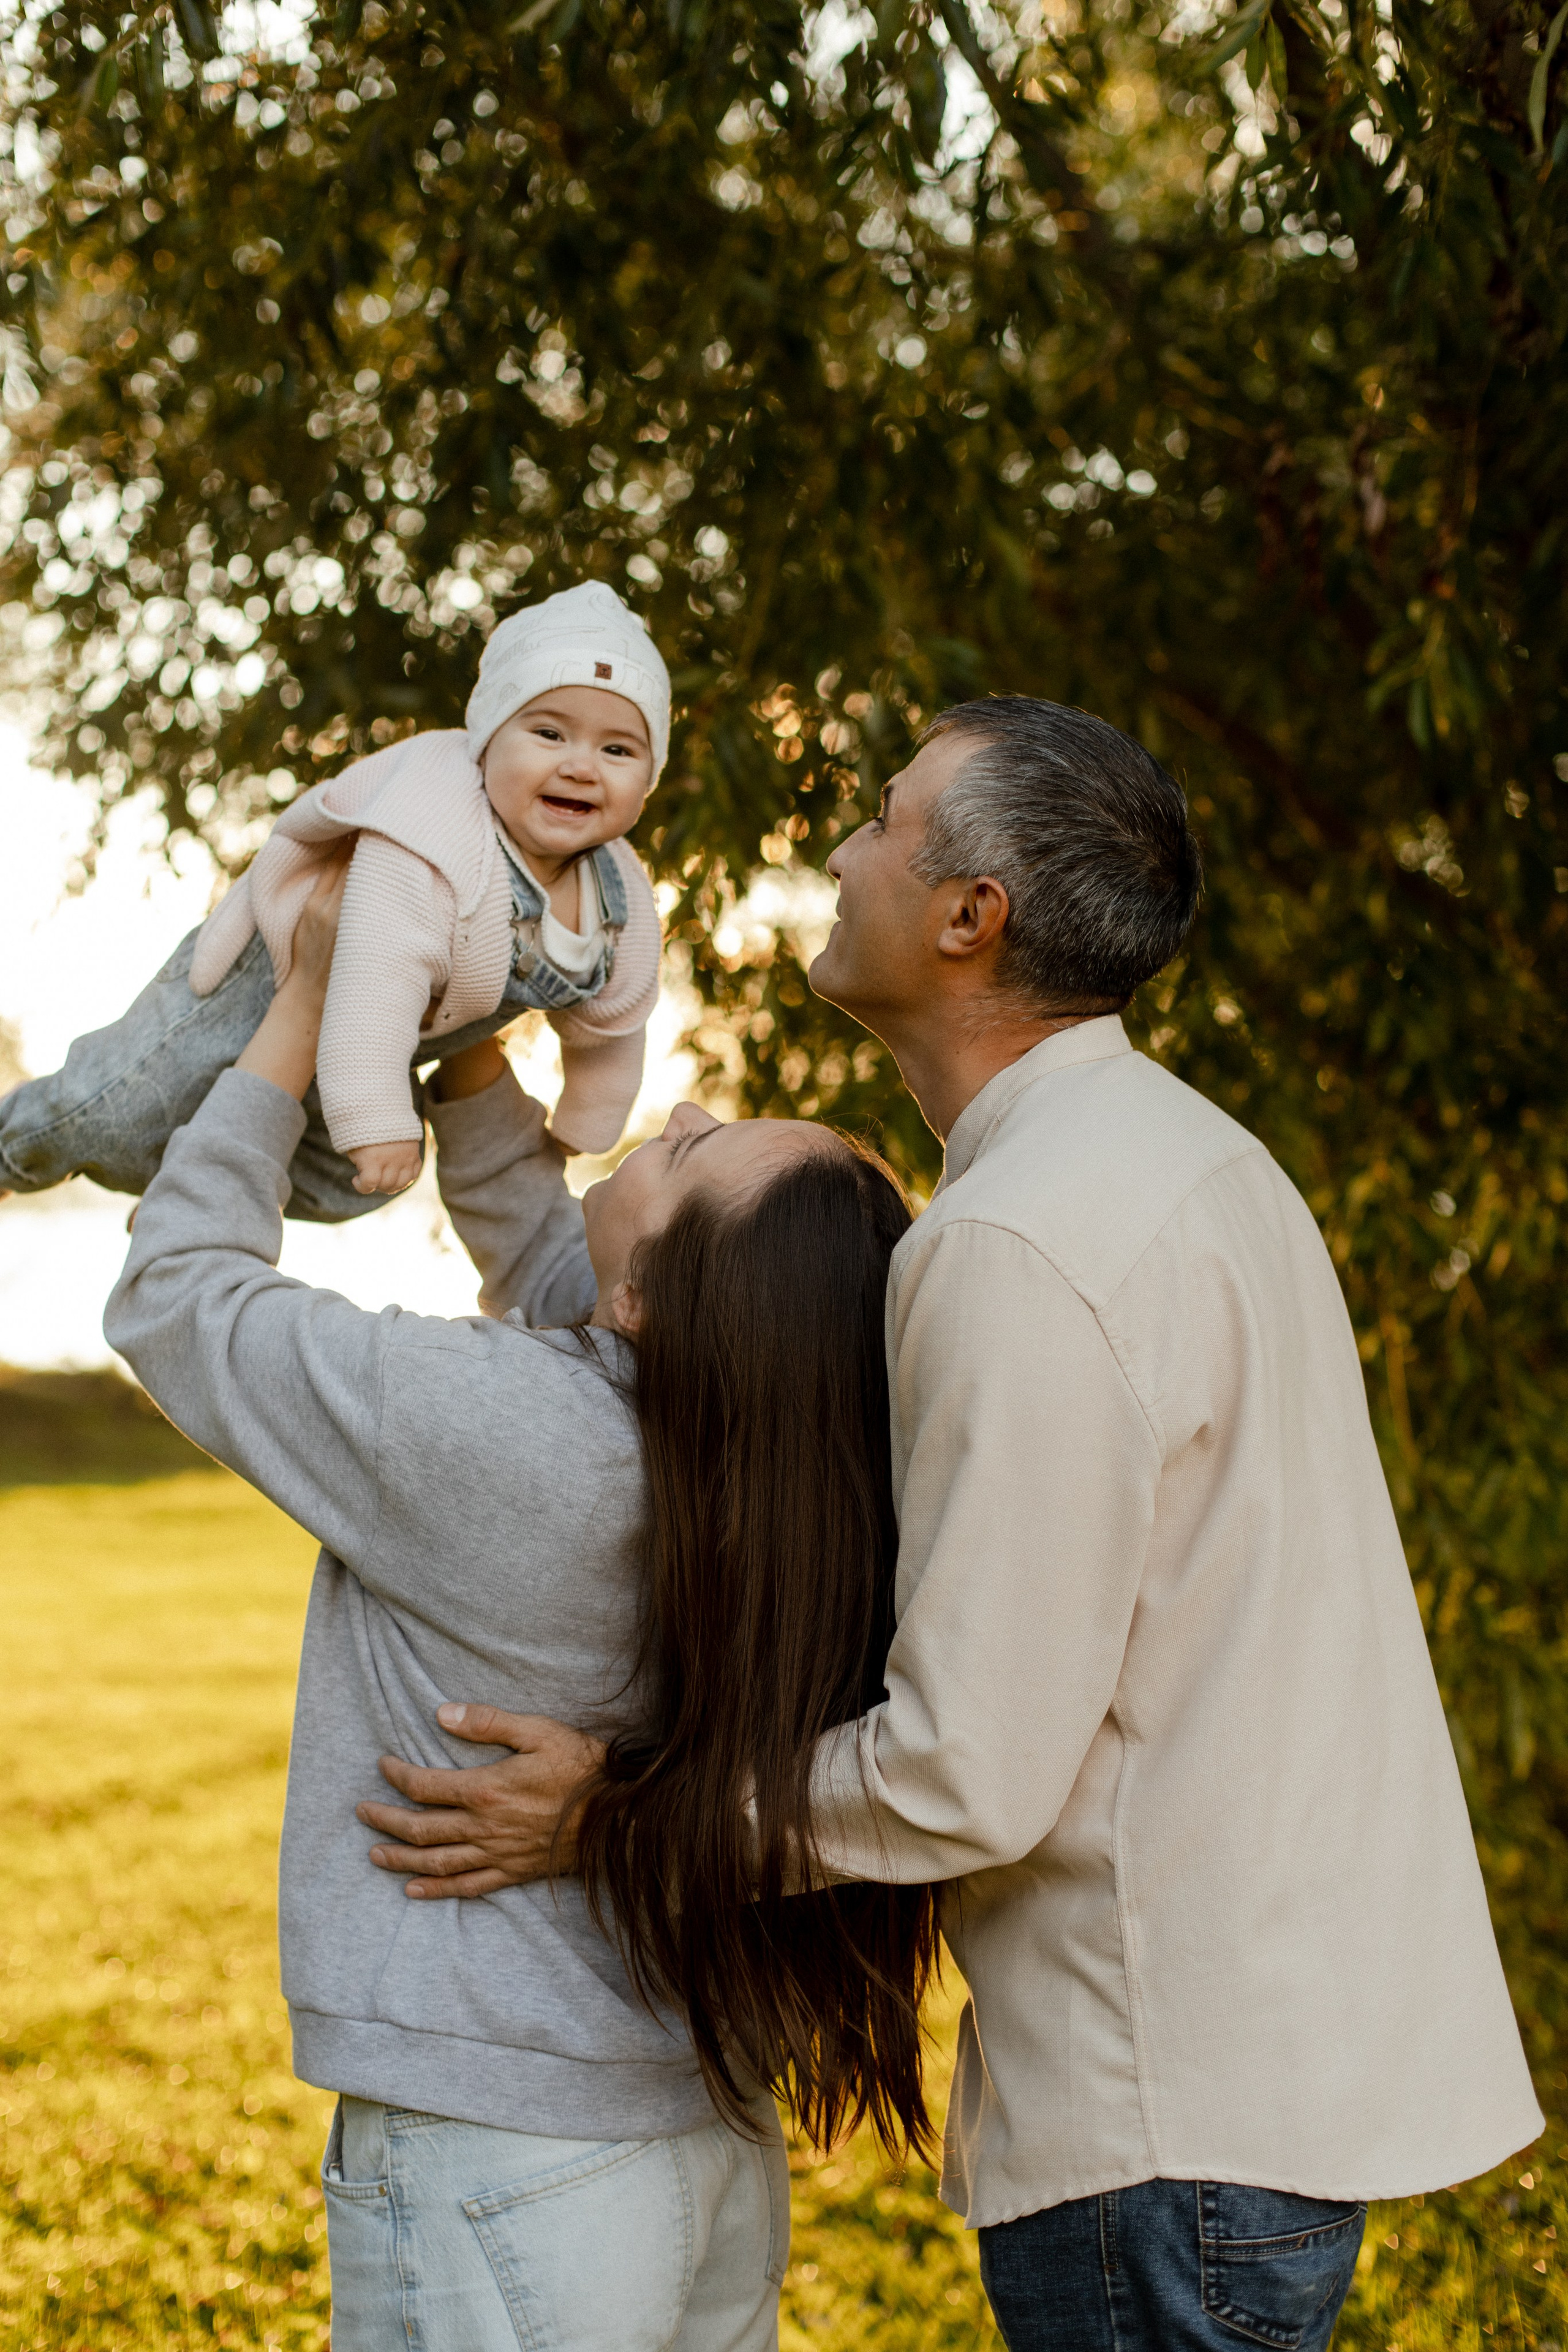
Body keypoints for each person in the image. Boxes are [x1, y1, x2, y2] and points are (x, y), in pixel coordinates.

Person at [358, 695, 1543, 2352]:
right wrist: (470, 1052)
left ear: (970, 917)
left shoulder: (1016, 1247)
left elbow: (965, 1772)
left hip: (1165, 2124)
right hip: (1254, 2082)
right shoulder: (1188, 1161)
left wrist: (624, 1819)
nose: (840, 855)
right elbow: (633, 1289)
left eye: (882, 823)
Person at [101, 855, 935, 2351]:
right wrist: (469, 1039)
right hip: (696, 2133)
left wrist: (301, 1006)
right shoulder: (779, 1465)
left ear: (654, 1313)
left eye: (694, 1152)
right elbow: (565, 1260)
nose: (675, 1114)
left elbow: (178, 1297)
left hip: (507, 2148)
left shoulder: (507, 1437)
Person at [0, 580, 665, 1219]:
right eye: (549, 734)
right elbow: (376, 986)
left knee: (360, 1186)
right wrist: (375, 1117)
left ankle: (193, 1191)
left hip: (380, 1045)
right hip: (267, 993)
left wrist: (590, 1116)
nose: (581, 765)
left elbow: (617, 1017)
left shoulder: (619, 894)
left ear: (648, 779)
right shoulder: (429, 839)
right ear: (487, 743)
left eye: (617, 749)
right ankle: (9, 1154)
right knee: (111, 1108)